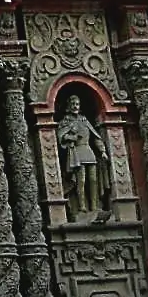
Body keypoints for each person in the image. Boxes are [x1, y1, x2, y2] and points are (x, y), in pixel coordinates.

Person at [57, 92, 113, 221]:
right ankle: (82, 207)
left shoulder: (84, 120)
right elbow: (61, 136)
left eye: (77, 104)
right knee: (80, 181)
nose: (75, 106)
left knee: (93, 179)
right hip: (77, 153)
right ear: (69, 106)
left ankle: (94, 206)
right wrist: (72, 137)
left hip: (88, 151)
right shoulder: (66, 121)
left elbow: (95, 137)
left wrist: (102, 151)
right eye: (73, 104)